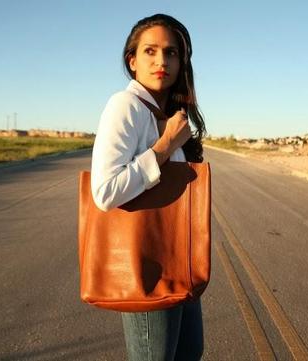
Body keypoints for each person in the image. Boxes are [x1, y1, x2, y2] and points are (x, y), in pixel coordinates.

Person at [90, 13, 207, 361]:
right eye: (150, 51)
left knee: (189, 353)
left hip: (179, 259)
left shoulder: (167, 112)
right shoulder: (124, 106)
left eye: (171, 53)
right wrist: (164, 146)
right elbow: (106, 191)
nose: (161, 61)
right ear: (132, 60)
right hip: (147, 264)